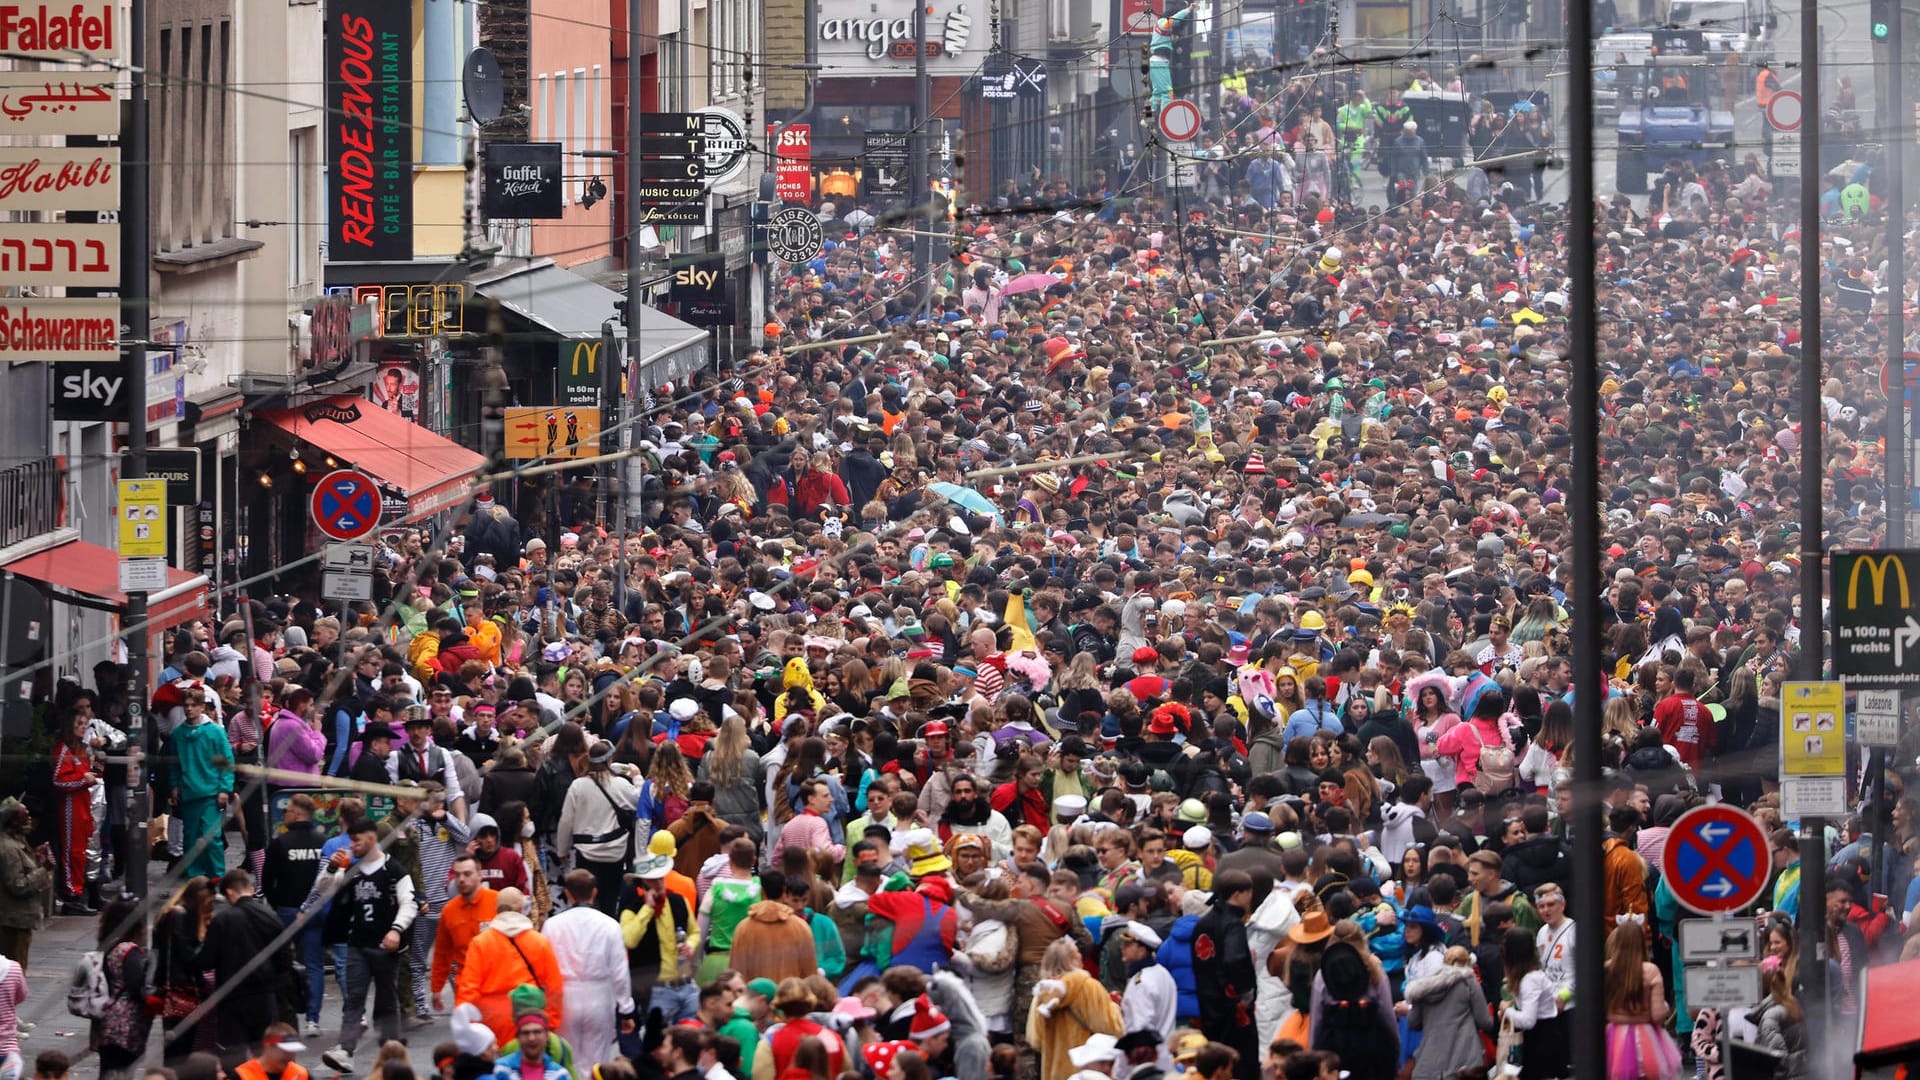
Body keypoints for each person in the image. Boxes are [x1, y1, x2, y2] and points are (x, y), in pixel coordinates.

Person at [313, 819, 419, 1073]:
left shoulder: (395, 870)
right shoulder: (352, 870)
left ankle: (391, 1050)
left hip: (385, 946)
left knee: (386, 999)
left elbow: (410, 902)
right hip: (357, 945)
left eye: (356, 840)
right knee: (354, 997)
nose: (352, 845)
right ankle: (345, 1050)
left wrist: (396, 930)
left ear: (371, 838)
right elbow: (323, 889)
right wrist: (331, 867)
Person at [542, 871, 634, 1068]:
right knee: (597, 1061)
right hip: (599, 997)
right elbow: (620, 971)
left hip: (565, 997)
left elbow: (544, 967)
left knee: (567, 1058)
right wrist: (626, 1009)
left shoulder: (551, 926)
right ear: (594, 893)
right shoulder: (610, 925)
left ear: (567, 893)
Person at [454, 886, 565, 1048]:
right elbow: (554, 988)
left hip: (491, 1020)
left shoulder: (480, 943)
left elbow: (468, 989)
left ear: (497, 909)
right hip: (529, 1018)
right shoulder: (538, 941)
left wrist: (468, 1026)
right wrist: (550, 1022)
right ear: (522, 909)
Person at [1191, 871, 1259, 1080]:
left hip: (1208, 1005)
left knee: (1214, 1063)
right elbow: (1234, 959)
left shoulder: (1203, 922)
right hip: (1232, 1008)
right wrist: (1246, 990)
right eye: (1249, 893)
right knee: (1239, 1063)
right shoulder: (1232, 924)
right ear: (1238, 894)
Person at [1028, 938, 1122, 1080]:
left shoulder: (1042, 994)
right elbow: (1111, 1028)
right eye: (1077, 952)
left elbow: (1035, 1040)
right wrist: (1114, 1007)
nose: (1081, 956)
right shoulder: (1088, 987)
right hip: (1088, 1069)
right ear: (1071, 959)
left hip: (1053, 1072)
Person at [170, 687, 235, 882]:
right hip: (189, 793)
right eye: (186, 706)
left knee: (211, 837)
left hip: (211, 793)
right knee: (190, 839)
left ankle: (216, 876)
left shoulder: (215, 732)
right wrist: (175, 786)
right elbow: (174, 763)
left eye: (193, 705)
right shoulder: (178, 733)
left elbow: (227, 760)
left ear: (202, 707)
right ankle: (195, 878)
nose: (189, 709)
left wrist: (225, 789)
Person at [1401, 945, 1491, 1080]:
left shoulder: (1423, 987)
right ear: (1467, 963)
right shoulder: (1468, 982)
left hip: (1429, 1064)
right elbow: (1485, 1022)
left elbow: (1413, 1022)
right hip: (1465, 1062)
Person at [1602, 921, 1678, 1080]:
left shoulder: (1606, 969)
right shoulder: (1651, 971)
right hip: (1645, 1036)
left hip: (1613, 1036)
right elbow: (1657, 1016)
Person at [89, 898, 151, 1080]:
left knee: (109, 1071)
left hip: (106, 1022)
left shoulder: (108, 946)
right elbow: (136, 986)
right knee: (120, 1072)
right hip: (124, 1025)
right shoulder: (128, 950)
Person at [431, 854, 499, 1016]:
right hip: (466, 988)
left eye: (467, 874)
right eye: (457, 874)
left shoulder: (497, 902)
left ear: (480, 875)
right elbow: (442, 953)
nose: (461, 879)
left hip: (497, 984)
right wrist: (436, 988)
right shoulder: (449, 911)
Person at [0, 799, 52, 968]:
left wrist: (35, 858)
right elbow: (18, 885)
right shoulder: (9, 849)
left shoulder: (17, 844)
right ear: (14, 821)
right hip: (13, 923)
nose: (30, 819)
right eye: (25, 815)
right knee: (15, 971)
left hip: (17, 922)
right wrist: (44, 869)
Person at [232, 1024, 311, 1080]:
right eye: (285, 1051)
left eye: (293, 1050)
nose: (290, 1056)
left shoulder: (302, 1074)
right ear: (268, 1046)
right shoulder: (241, 1076)